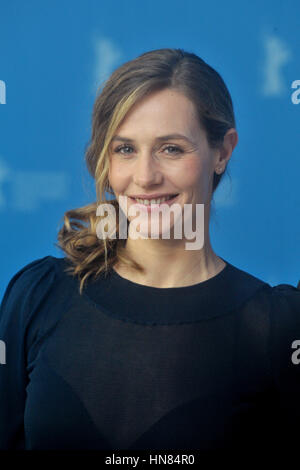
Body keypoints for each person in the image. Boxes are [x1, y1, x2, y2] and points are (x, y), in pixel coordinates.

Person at [0, 48, 299, 452]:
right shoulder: (38, 296)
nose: (145, 176)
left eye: (171, 148)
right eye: (125, 149)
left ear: (223, 151)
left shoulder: (278, 327)